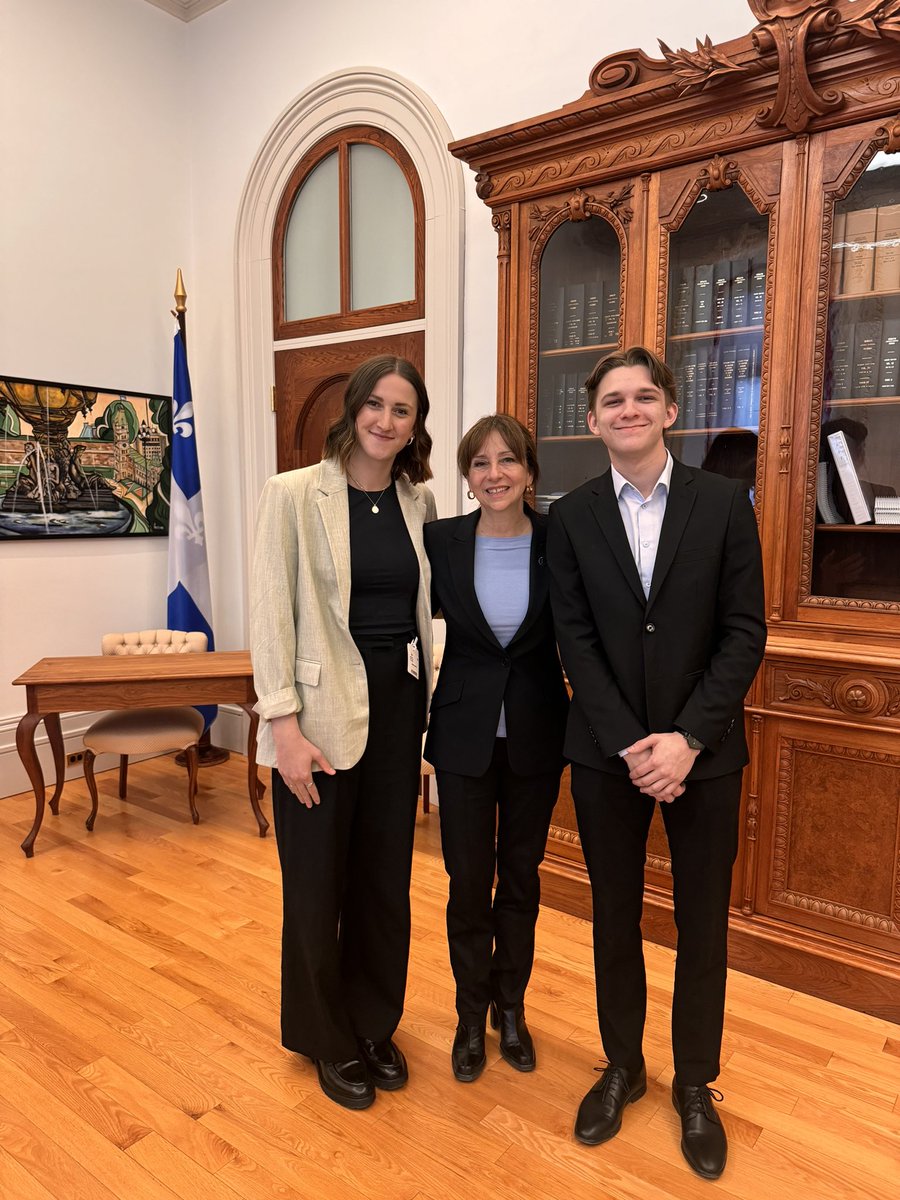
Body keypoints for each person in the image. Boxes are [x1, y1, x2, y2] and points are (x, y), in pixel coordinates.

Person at [547, 346, 766, 1180]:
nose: (628, 410)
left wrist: (688, 739)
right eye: (612, 400)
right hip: (609, 757)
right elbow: (578, 639)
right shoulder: (569, 517)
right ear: (594, 419)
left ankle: (695, 1085)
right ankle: (622, 1066)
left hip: (702, 757)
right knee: (612, 917)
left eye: (644, 397)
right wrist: (632, 743)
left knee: (701, 922)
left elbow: (745, 630)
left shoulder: (721, 503)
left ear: (670, 411)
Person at [250, 355, 437, 1111]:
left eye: (404, 411)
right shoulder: (293, 494)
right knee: (318, 885)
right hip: (318, 722)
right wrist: (282, 729)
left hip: (401, 711)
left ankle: (374, 1023)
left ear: (415, 425)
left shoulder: (418, 499)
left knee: (384, 884)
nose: (387, 421)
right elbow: (271, 614)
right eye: (378, 405)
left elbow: (431, 611)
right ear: (353, 407)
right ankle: (328, 1039)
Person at [424, 415, 568, 1082]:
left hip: (537, 736)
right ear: (467, 475)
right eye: (480, 463)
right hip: (462, 739)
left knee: (520, 881)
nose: (494, 474)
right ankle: (468, 1012)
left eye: (508, 461)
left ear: (530, 472)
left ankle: (510, 1009)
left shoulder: (559, 540)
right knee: (465, 884)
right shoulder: (441, 540)